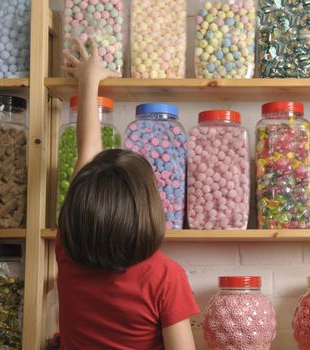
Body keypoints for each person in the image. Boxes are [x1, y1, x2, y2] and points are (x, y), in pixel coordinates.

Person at [55, 39, 199, 350]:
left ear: (81, 206)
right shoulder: (165, 276)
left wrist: (88, 80)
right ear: (149, 208)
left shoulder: (67, 250)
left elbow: (87, 151)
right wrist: (90, 81)